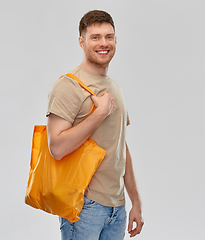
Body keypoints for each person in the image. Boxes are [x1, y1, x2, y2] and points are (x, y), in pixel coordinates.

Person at [46, 10, 144, 239]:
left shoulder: (115, 88)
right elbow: (56, 148)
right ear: (82, 42)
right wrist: (99, 113)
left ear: (116, 40)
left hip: (117, 208)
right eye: (95, 37)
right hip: (85, 207)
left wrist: (135, 202)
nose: (104, 43)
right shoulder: (68, 86)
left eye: (109, 37)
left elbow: (120, 147)